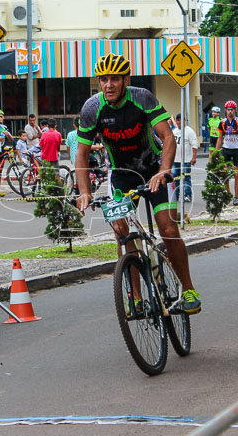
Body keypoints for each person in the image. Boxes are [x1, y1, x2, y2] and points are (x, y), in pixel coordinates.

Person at [74, 53, 201, 314]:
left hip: (153, 170)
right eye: (104, 79)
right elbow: (82, 154)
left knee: (167, 227)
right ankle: (137, 297)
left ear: (126, 80)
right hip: (121, 176)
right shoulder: (92, 108)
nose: (108, 85)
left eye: (115, 79)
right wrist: (84, 192)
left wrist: (164, 170)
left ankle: (188, 290)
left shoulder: (142, 97)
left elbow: (168, 137)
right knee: (123, 233)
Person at [215, 100, 238, 206]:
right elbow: (220, 138)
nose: (230, 112)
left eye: (232, 109)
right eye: (228, 109)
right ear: (225, 110)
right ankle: (228, 193)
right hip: (226, 149)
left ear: (235, 110)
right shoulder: (222, 122)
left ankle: (236, 197)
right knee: (224, 173)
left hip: (236, 149)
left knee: (237, 173)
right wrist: (216, 152)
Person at [170, 113, 199, 202]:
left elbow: (194, 145)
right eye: (179, 121)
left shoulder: (189, 131)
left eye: (183, 121)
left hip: (186, 159)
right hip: (176, 160)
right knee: (175, 178)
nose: (181, 123)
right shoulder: (174, 131)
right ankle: (176, 195)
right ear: (177, 121)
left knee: (186, 178)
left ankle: (188, 195)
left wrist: (194, 157)